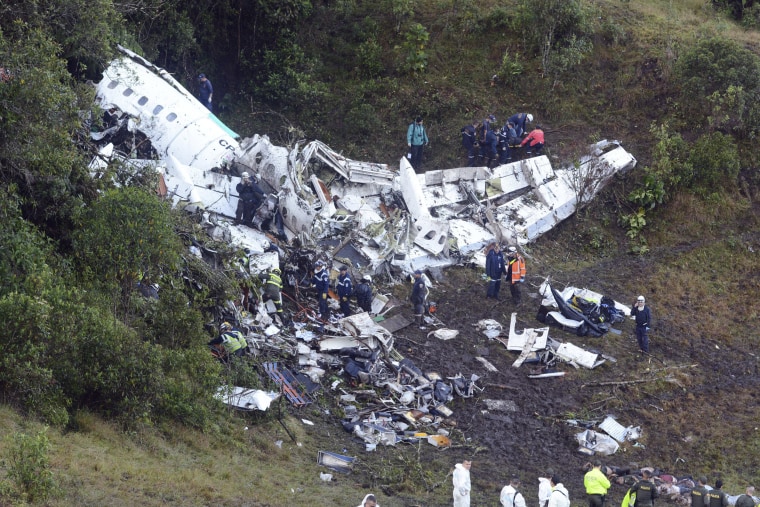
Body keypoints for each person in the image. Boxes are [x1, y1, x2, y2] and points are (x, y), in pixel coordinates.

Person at [312, 260, 330, 328]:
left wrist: (325, 292)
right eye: (316, 266)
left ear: (321, 266)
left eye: (318, 267)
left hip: (323, 290)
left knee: (322, 303)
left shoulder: (324, 274)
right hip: (319, 290)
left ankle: (323, 316)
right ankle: (327, 313)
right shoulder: (317, 272)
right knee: (324, 302)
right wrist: (312, 283)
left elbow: (326, 284)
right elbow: (315, 279)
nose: (317, 268)